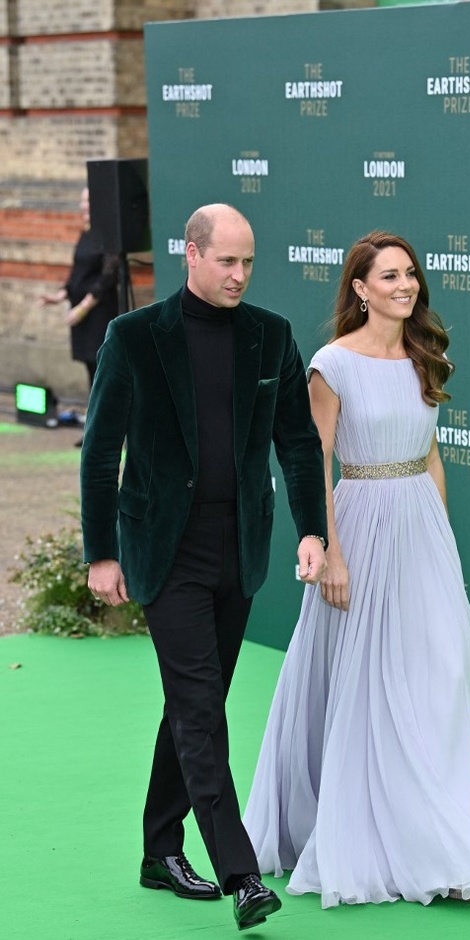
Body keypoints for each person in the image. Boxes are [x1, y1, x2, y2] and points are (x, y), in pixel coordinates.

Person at [243, 230, 470, 908]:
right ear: (360, 289)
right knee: (360, 683)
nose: (405, 285)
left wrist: (442, 542)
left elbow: (431, 456)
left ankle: (440, 835)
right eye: (389, 276)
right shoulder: (332, 364)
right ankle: (367, 833)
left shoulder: (424, 356)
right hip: (359, 524)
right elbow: (315, 460)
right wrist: (329, 551)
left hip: (420, 527)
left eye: (410, 273)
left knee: (440, 675)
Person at [79, 203, 328, 931]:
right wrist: (101, 551)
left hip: (237, 546)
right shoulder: (134, 337)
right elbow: (100, 449)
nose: (239, 275)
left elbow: (297, 441)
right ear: (190, 254)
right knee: (198, 708)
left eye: (248, 262)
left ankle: (160, 849)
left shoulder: (270, 336)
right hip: (166, 548)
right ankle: (241, 874)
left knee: (196, 702)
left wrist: (311, 529)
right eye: (226, 261)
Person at [39, 187, 119, 442]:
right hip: (81, 314)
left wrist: (84, 306)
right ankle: (95, 431)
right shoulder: (85, 233)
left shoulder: (108, 235)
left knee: (102, 372)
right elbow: (78, 273)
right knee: (90, 371)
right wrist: (60, 295)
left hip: (98, 314)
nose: (84, 206)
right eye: (83, 201)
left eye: (88, 201)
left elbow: (108, 276)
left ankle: (105, 433)